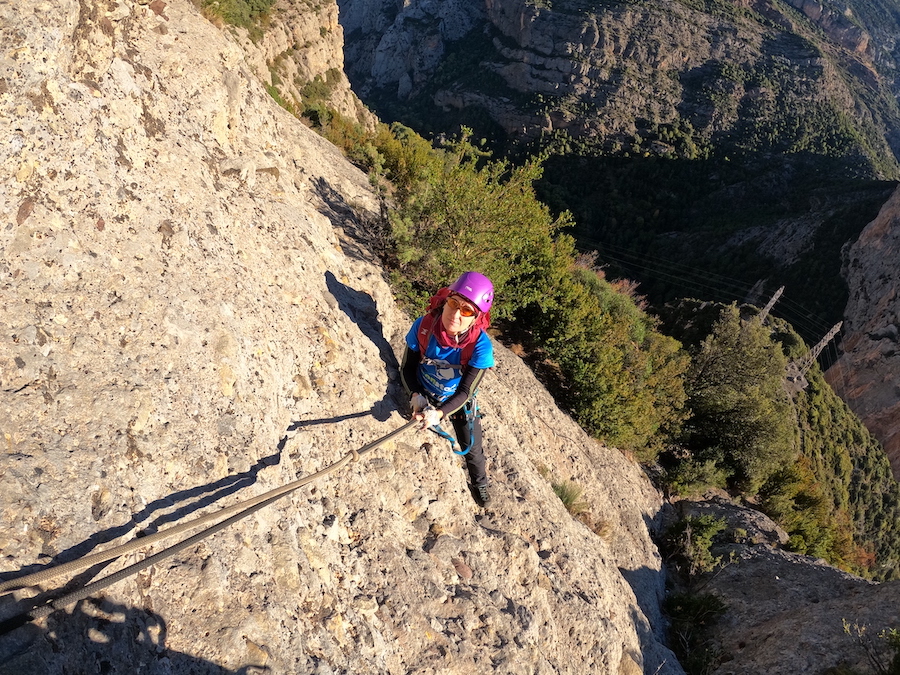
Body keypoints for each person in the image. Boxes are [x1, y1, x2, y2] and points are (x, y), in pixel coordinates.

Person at [400, 272, 496, 504]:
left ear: (476, 318)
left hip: (455, 401)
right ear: (445, 301)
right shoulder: (424, 326)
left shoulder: (480, 348)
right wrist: (415, 395)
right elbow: (406, 369)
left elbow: (466, 392)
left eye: (467, 311)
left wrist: (440, 413)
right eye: (454, 303)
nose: (456, 314)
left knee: (472, 449)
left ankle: (479, 485)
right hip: (423, 389)